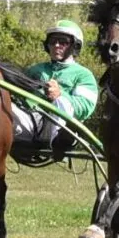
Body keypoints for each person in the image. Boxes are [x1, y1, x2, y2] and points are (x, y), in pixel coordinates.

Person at [17, 21, 98, 161]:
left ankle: (51, 144)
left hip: (65, 130)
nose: (56, 46)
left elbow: (85, 107)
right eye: (53, 41)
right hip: (32, 123)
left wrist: (60, 95)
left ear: (75, 46)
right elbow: (19, 96)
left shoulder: (84, 75)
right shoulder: (35, 70)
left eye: (63, 42)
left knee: (61, 102)